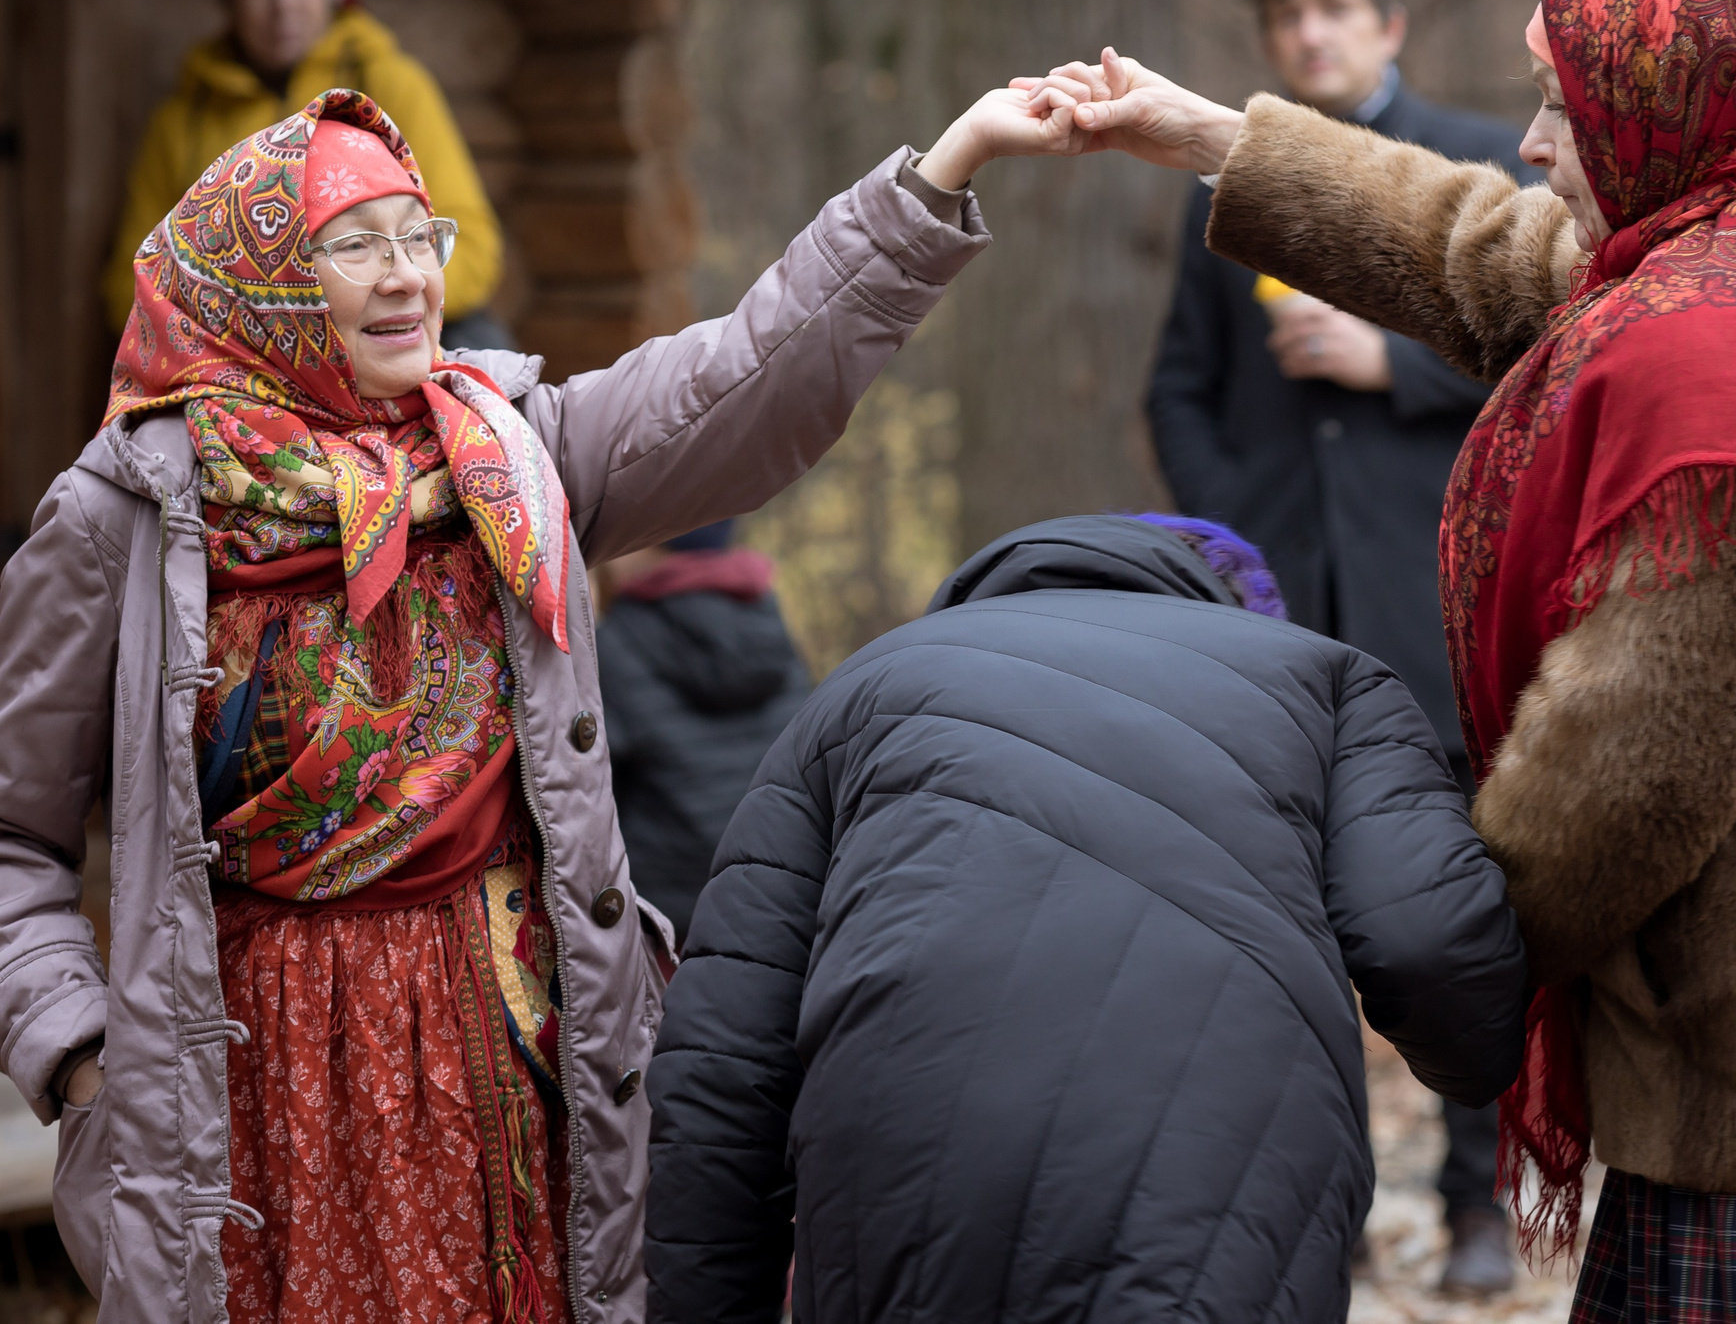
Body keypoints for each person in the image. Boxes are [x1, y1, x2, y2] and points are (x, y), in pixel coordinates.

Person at [1030, 0, 1736, 1322]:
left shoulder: (1724, 384)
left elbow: (1620, 776)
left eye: (1562, 107)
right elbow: (1488, 248)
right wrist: (1212, 139)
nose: (1533, 143)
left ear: (1668, 111)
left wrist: (1425, 956)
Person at [0, 72, 1094, 1322]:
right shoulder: (123, 520)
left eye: (423, 237)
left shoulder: (512, 455)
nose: (410, 275)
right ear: (258, 288)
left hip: (512, 1054)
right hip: (253, 1091)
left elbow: (749, 374)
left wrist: (937, 175)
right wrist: (80, 1057)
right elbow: (11, 832)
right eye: (356, 247)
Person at [644, 512, 1527, 1324]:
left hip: (904, 1170)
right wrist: (1477, 1061)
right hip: (1226, 1170)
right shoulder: (1324, 676)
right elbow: (1429, 939)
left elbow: (725, 1060)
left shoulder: (867, 685)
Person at [1145, 0, 1535, 1293]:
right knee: (1278, 925)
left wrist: (1397, 365)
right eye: (1288, 17)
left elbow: (1550, 361)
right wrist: (1224, 532)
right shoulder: (1223, 187)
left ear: (1391, 24)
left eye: (1336, 11)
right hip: (1273, 620)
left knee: (1466, 912)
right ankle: (1322, 1202)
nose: (1310, 35)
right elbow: (1176, 390)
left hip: (1434, 605)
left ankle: (1482, 1202)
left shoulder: (1477, 161)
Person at [107, 0, 512, 347]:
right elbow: (137, 276)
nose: (283, 4)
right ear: (230, 1)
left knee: (481, 348)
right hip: (248, 345)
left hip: (386, 322)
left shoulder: (392, 84)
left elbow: (470, 243)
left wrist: (378, 302)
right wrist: (248, 329)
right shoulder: (181, 123)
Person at [595, 519, 810, 944]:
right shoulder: (769, 625)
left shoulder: (616, 641)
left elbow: (590, 803)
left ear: (643, 544)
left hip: (663, 928)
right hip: (775, 909)